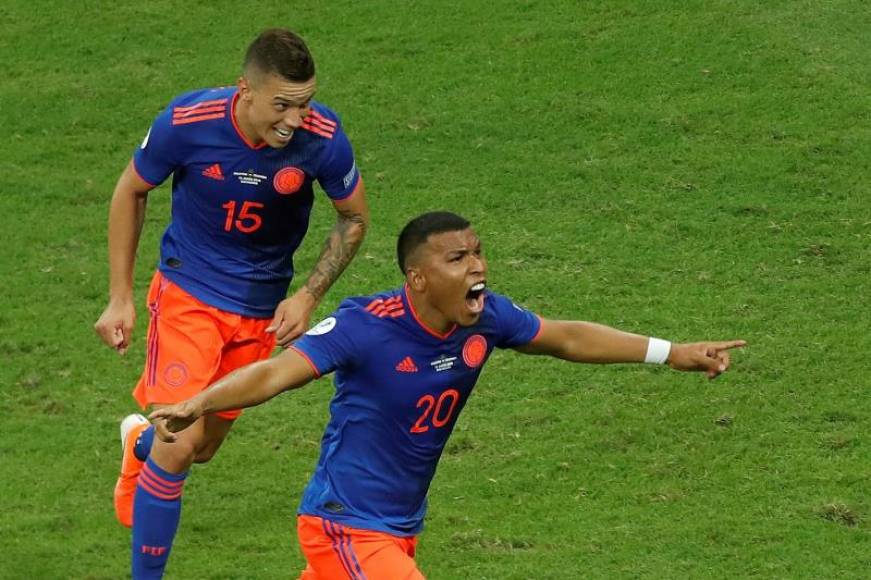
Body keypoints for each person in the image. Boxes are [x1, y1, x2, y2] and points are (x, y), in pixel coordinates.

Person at [149, 211, 746, 579]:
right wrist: (200, 403)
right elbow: (277, 373)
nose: (477, 266)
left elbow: (565, 337)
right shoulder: (366, 325)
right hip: (345, 525)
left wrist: (675, 352)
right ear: (419, 278)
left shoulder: (484, 318)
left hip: (399, 526)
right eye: (457, 257)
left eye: (478, 250)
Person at [93, 28, 369, 578]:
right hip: (188, 294)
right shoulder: (187, 123)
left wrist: (309, 294)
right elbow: (131, 190)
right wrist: (119, 298)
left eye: (305, 103)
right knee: (179, 443)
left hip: (261, 311)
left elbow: (354, 216)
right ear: (245, 88)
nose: (295, 119)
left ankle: (138, 446)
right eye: (282, 105)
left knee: (200, 448)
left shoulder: (324, 138)